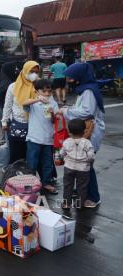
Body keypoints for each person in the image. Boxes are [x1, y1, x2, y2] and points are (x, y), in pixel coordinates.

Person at [59, 62, 105, 208]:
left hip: (90, 132)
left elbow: (87, 112)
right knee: (82, 165)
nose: (69, 80)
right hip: (86, 131)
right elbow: (81, 108)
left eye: (71, 77)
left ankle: (93, 197)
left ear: (80, 76)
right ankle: (82, 190)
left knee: (86, 166)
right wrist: (69, 108)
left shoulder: (88, 92)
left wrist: (66, 112)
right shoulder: (85, 89)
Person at [22, 79, 59, 194]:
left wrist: (53, 113)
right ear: (37, 91)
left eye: (49, 91)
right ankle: (30, 185)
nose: (47, 94)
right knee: (32, 163)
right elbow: (24, 103)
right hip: (34, 138)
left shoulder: (52, 103)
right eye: (44, 91)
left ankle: (46, 183)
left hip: (48, 139)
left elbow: (53, 120)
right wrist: (38, 99)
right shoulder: (34, 103)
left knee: (48, 163)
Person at [1, 61, 40, 163]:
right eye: (31, 71)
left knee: (31, 157)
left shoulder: (39, 86)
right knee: (16, 156)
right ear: (25, 71)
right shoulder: (13, 87)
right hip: (17, 126)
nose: (34, 74)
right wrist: (4, 122)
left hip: (34, 127)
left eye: (36, 72)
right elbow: (8, 105)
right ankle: (15, 176)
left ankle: (29, 177)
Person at [60, 119, 95, 209]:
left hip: (69, 167)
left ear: (69, 131)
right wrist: (89, 161)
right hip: (83, 169)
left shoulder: (67, 141)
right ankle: (79, 204)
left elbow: (61, 153)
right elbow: (91, 155)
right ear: (84, 130)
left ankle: (66, 203)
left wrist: (64, 157)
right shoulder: (87, 142)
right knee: (82, 187)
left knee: (68, 185)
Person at [0, 61, 24, 130]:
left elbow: (0, 96)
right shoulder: (12, 84)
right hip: (15, 114)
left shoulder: (6, 83)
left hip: (8, 111)